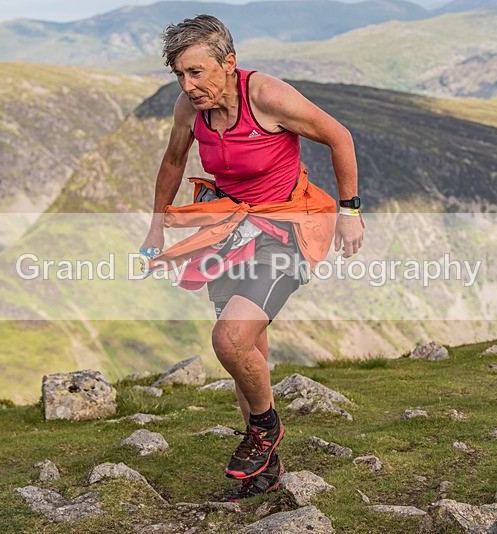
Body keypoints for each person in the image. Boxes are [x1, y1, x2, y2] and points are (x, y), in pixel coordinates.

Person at [141, 14, 364, 501]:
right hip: (228, 229)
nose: (188, 84)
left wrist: (349, 210)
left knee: (230, 338)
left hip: (286, 226)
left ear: (229, 62)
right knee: (249, 354)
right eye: (179, 74)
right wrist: (158, 221)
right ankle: (266, 469)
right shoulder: (189, 108)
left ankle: (265, 427)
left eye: (197, 72)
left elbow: (339, 136)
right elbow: (175, 160)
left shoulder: (267, 97)